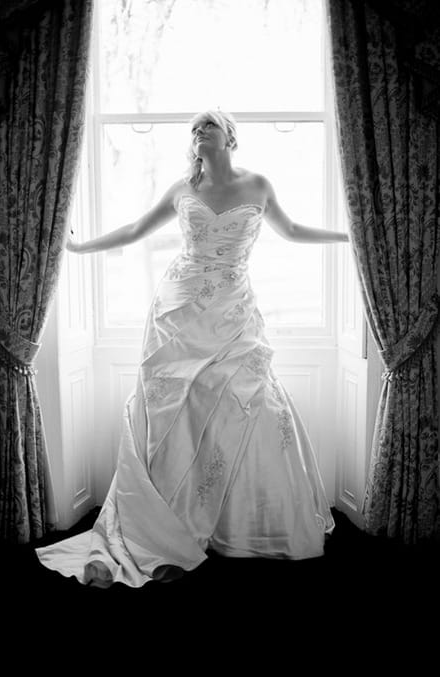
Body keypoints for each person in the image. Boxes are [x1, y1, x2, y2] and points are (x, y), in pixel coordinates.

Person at [36, 110, 348, 588]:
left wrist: (351, 236)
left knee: (254, 407)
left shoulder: (258, 184)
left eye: (209, 127)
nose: (199, 133)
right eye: (196, 129)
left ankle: (243, 526)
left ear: (230, 137)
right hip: (178, 310)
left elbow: (294, 231)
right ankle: (162, 526)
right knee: (171, 413)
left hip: (233, 313)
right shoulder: (184, 188)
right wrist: (78, 249)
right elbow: (135, 229)